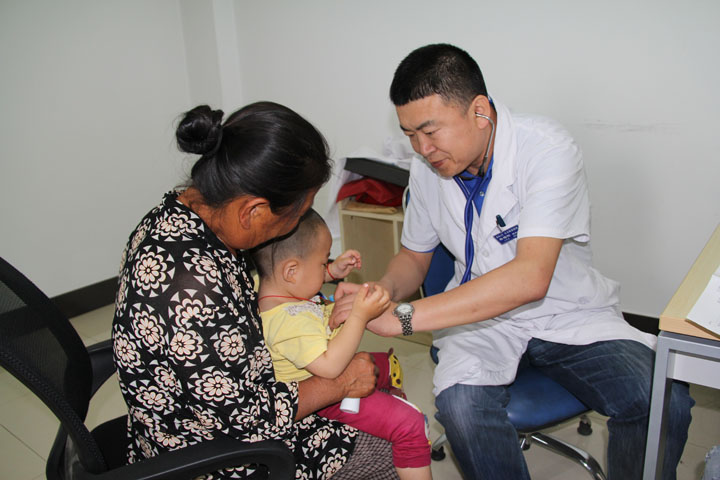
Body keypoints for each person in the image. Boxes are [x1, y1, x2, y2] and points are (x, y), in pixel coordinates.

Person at [331, 44, 695, 480]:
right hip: (479, 323)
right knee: (462, 410)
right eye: (410, 135)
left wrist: (403, 317)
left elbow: (529, 279)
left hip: (563, 312)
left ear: (479, 111)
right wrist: (382, 293)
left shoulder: (545, 150)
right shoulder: (427, 169)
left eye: (430, 131)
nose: (422, 149)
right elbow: (414, 256)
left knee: (661, 400)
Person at [111, 101, 399, 479]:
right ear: (254, 211)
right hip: (216, 456)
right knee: (389, 443)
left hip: (232, 408)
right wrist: (341, 383)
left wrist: (321, 299)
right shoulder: (192, 291)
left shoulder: (175, 217)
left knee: (381, 399)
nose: (293, 227)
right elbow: (249, 419)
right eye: (296, 215)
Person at [252, 209, 433, 480]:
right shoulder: (290, 323)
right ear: (291, 271)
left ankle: (390, 395)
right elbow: (331, 368)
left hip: (324, 371)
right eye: (322, 262)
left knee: (386, 364)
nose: (325, 267)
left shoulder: (269, 286)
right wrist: (359, 316)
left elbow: (297, 275)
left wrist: (329, 271)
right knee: (410, 423)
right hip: (327, 395)